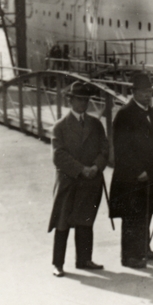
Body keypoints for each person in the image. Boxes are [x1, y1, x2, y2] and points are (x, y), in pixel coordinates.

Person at [109, 72, 153, 269]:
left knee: (146, 212)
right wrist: (138, 170)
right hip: (132, 177)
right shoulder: (125, 114)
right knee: (131, 216)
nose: (147, 95)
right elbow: (122, 149)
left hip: (152, 175)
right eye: (143, 92)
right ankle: (129, 256)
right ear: (134, 92)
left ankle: (144, 248)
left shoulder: (150, 112)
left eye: (150, 91)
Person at [49, 81, 108, 277]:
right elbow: (58, 156)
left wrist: (96, 167)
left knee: (86, 221)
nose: (83, 103)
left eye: (86, 100)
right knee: (62, 223)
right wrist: (81, 169)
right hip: (69, 181)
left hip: (90, 181)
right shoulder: (60, 126)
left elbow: (104, 149)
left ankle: (84, 260)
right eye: (79, 99)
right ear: (70, 101)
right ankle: (58, 264)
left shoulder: (95, 124)